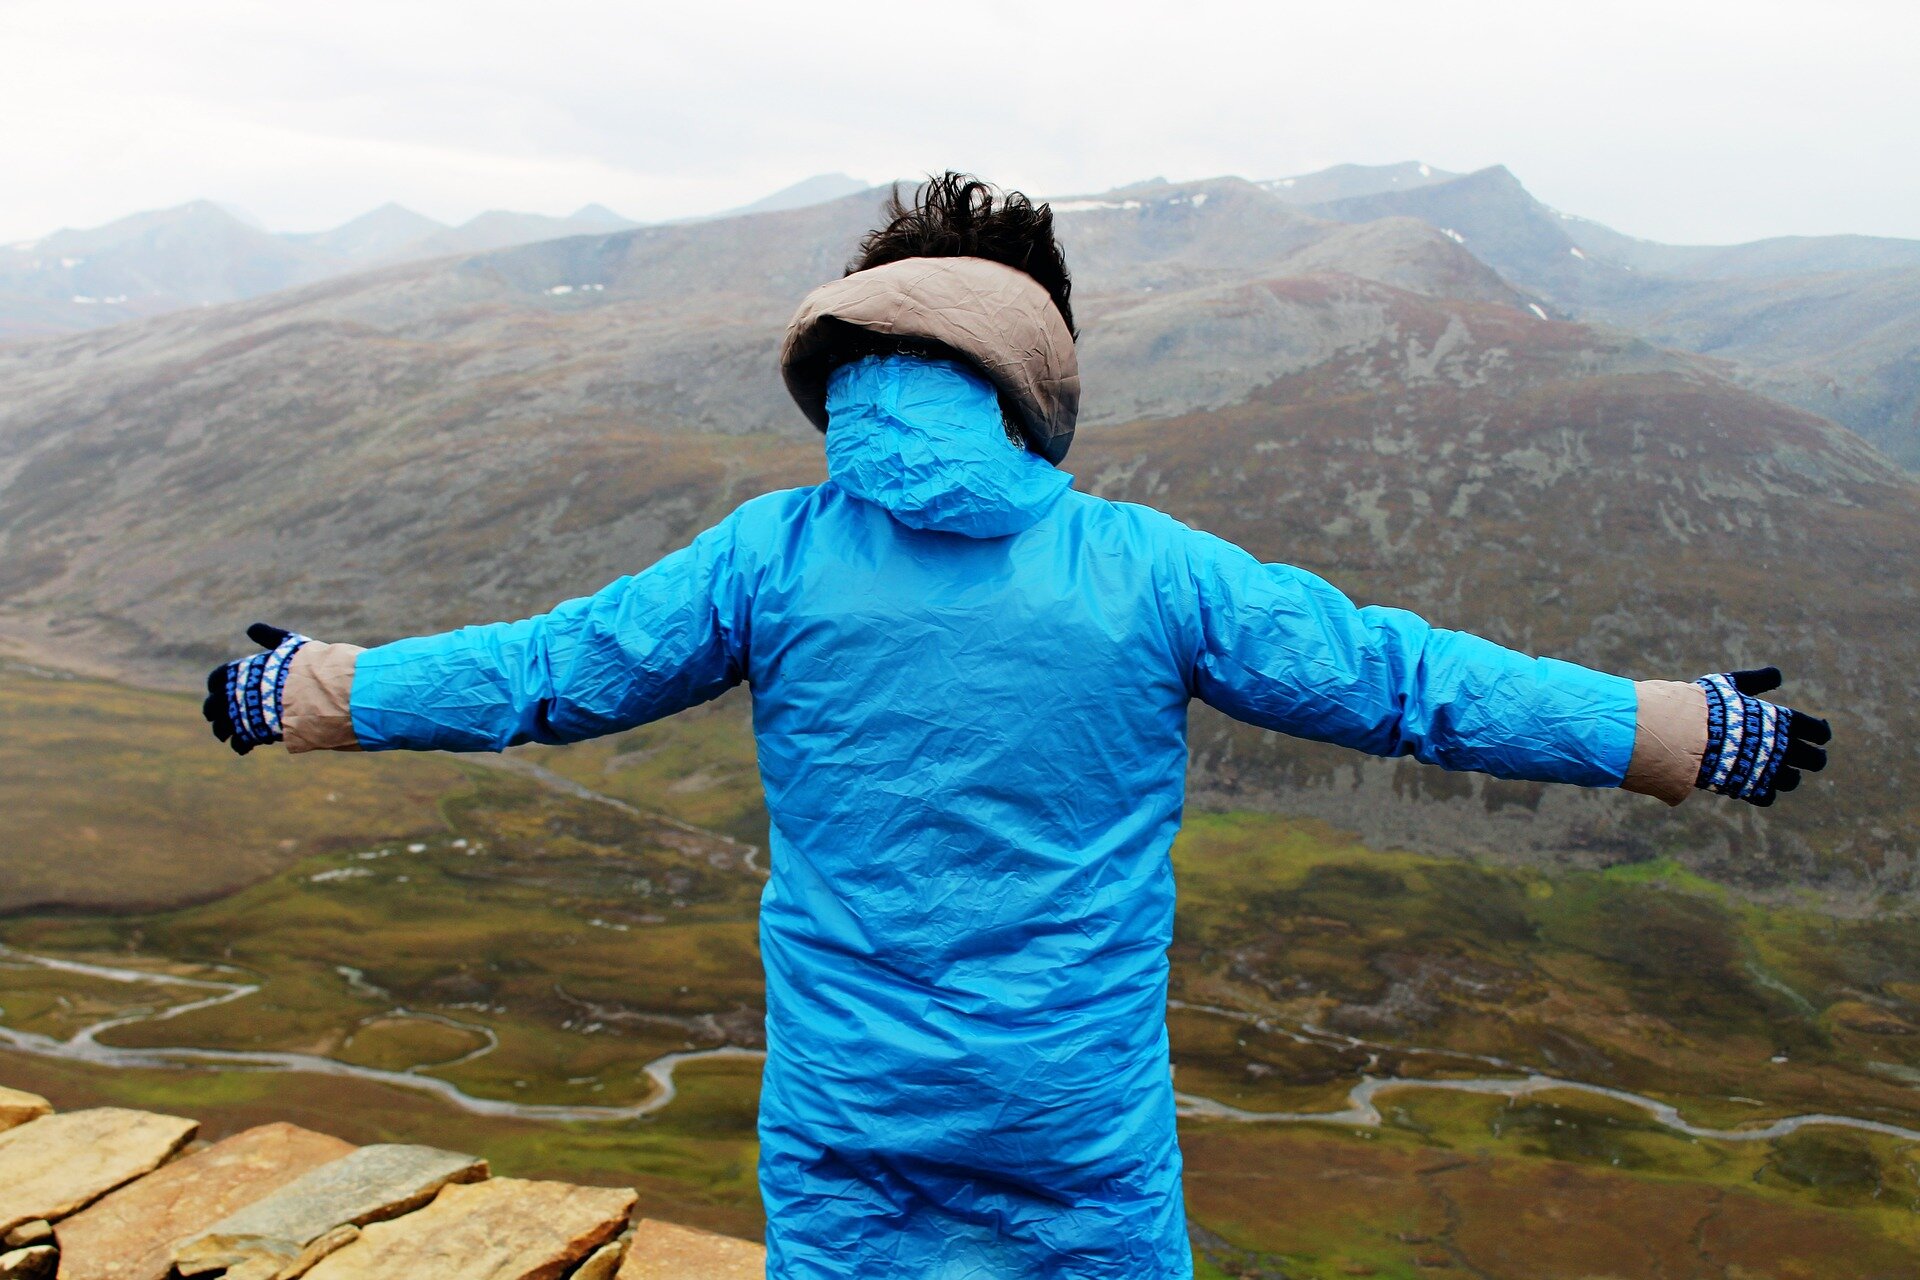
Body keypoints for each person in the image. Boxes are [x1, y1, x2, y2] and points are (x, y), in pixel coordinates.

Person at [204, 173, 1831, 1280]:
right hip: (1075, 1119)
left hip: (846, 1116)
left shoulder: (767, 558)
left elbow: (542, 673)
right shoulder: (1147, 572)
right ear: (1034, 366)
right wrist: (1671, 729)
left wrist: (314, 690)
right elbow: (1407, 684)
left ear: (846, 364)